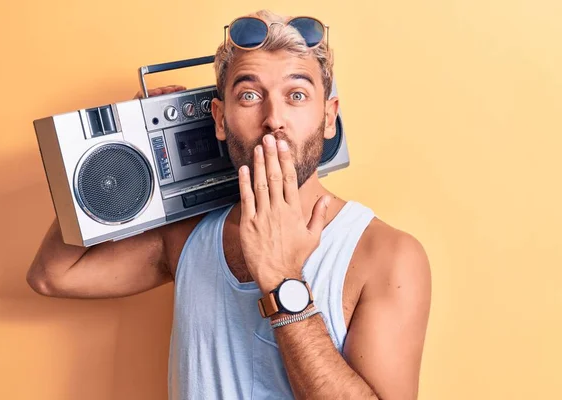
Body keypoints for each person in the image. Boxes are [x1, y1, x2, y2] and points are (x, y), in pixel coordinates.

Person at [27, 9, 431, 400]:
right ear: (219, 119)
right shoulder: (189, 235)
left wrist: (281, 279)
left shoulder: (387, 256)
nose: (274, 118)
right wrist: (124, 154)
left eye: (297, 94)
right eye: (250, 95)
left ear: (328, 117)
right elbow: (53, 274)